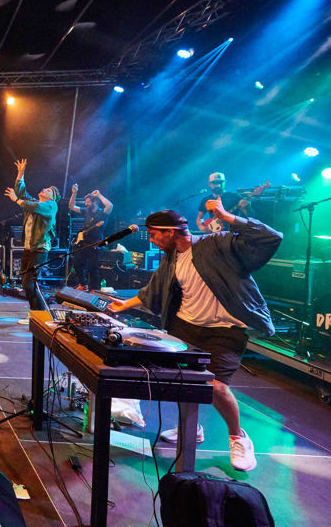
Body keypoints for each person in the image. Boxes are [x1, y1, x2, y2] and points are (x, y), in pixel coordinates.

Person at [108, 201, 282, 471]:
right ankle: (192, 428)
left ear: (169, 231)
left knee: (216, 387)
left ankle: (238, 437)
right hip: (185, 328)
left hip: (226, 330)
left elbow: (271, 237)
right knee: (181, 381)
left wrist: (228, 217)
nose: (151, 240)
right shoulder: (171, 258)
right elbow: (152, 289)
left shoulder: (216, 243)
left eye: (154, 235)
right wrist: (123, 304)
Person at [3, 158, 60, 314]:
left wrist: (15, 199)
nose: (44, 189)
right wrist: (21, 173)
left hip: (40, 249)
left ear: (53, 197)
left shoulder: (51, 205)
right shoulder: (34, 203)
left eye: (49, 190)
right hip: (29, 248)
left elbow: (25, 202)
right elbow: (22, 194)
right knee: (25, 283)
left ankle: (41, 313)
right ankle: (35, 313)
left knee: (29, 284)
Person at [67, 185, 113, 290]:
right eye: (86, 202)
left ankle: (94, 289)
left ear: (95, 202)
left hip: (96, 244)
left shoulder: (102, 213)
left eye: (88, 202)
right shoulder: (86, 211)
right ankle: (82, 285)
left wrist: (99, 195)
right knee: (77, 264)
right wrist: (74, 193)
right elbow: (71, 206)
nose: (86, 203)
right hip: (83, 243)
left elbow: (110, 205)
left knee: (93, 268)